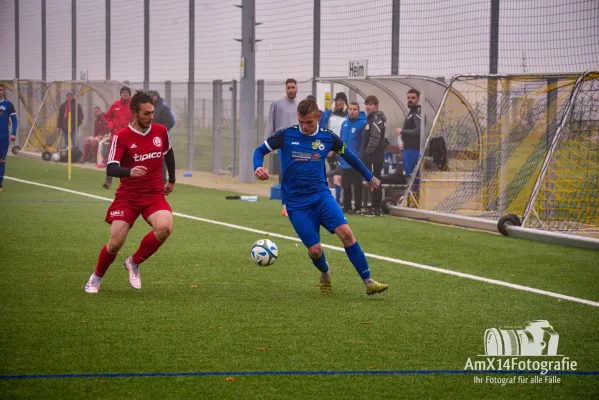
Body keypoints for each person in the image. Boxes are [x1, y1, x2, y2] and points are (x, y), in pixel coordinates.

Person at [253, 99, 388, 295]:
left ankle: (368, 281)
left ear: (318, 117)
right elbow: (260, 151)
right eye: (301, 122)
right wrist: (258, 166)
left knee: (347, 234)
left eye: (309, 122)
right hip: (296, 204)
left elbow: (349, 156)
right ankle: (325, 272)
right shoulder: (285, 135)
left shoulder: (328, 138)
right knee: (315, 251)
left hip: (321, 197)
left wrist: (370, 176)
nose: (305, 126)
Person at [84, 91, 177, 293]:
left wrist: (172, 179)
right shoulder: (122, 137)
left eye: (152, 112)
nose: (151, 117)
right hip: (128, 197)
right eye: (146, 113)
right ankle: (97, 276)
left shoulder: (160, 131)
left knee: (165, 227)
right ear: (134, 113)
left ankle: (133, 262)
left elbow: (168, 153)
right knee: (115, 243)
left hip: (153, 195)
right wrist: (130, 172)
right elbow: (111, 168)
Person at [265, 78, 300, 217]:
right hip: (284, 144)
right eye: (289, 87)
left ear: (297, 89)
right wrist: (268, 143)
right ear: (286, 89)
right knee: (286, 173)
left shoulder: (300, 104)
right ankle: (286, 204)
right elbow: (270, 123)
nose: (291, 90)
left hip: (299, 144)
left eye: (293, 87)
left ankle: (298, 203)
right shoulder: (277, 103)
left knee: (298, 173)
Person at [102, 86, 133, 189]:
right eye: (123, 92)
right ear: (120, 94)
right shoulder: (115, 105)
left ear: (129, 94)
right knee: (112, 160)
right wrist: (111, 127)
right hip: (115, 137)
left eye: (127, 92)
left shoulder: (133, 105)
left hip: (129, 137)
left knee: (128, 160)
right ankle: (108, 182)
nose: (125, 94)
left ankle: (126, 183)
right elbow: (107, 117)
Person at [361, 95, 387, 216]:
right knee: (371, 180)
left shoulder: (376, 118)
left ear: (376, 106)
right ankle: (374, 207)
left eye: (370, 104)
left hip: (374, 156)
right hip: (372, 155)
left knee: (374, 180)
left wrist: (367, 152)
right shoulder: (370, 118)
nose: (367, 106)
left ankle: (376, 208)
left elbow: (375, 138)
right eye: (366, 104)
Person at [340, 102, 367, 214]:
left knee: (357, 185)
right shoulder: (344, 123)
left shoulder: (363, 124)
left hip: (356, 160)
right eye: (350, 109)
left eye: (354, 109)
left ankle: (357, 207)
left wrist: (360, 156)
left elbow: (363, 143)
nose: (352, 111)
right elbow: (341, 140)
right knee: (345, 185)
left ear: (358, 111)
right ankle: (346, 206)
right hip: (345, 160)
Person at [147, 90, 175, 184]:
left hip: (159, 138)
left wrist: (160, 132)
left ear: (155, 97)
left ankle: (162, 181)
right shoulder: (147, 107)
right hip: (147, 136)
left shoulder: (164, 108)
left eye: (150, 97)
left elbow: (171, 122)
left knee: (161, 158)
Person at [396, 89, 422, 188]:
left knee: (414, 177)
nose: (410, 100)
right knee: (410, 176)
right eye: (408, 98)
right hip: (407, 149)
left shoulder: (417, 113)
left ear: (418, 99)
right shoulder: (411, 113)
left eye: (413, 98)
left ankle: (416, 200)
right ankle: (411, 200)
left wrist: (402, 131)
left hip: (413, 149)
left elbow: (419, 130)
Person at [0, 84, 18, 192]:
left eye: (0, 90)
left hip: (3, 137)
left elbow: (14, 120)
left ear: (3, 92)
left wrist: (14, 133)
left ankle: (0, 184)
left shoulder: (8, 105)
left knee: (1, 160)